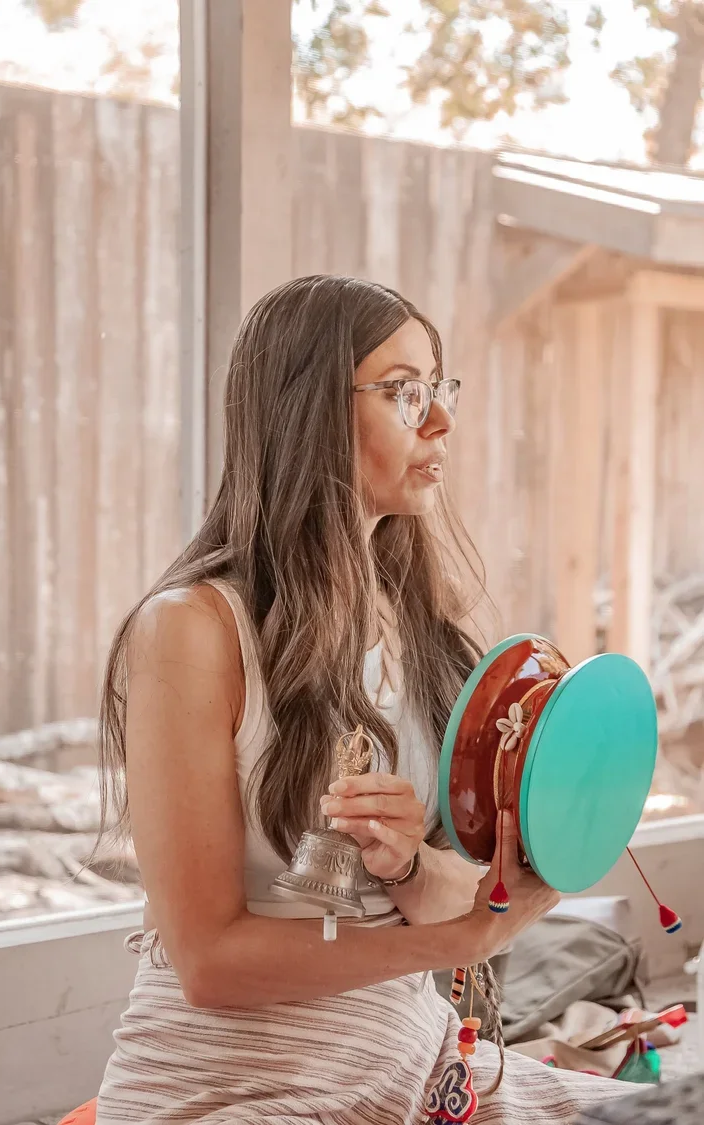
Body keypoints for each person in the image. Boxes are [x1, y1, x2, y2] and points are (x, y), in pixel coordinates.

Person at [94, 275, 632, 1124]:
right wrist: (454, 943)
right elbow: (207, 961)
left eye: (439, 388)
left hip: (416, 1065)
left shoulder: (418, 623)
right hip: (236, 1085)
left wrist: (418, 863)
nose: (442, 420)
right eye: (404, 392)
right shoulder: (191, 630)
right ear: (305, 408)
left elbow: (462, 884)